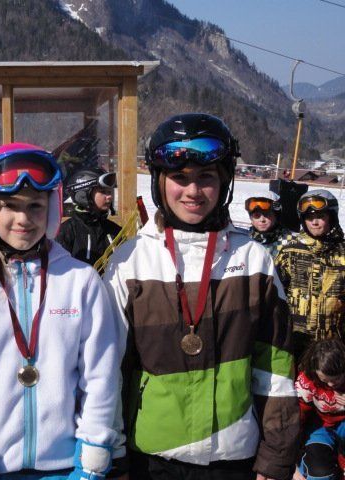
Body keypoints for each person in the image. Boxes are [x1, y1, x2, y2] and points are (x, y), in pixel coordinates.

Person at [104, 113, 299, 480]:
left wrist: (276, 457)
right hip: (151, 459)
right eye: (180, 178)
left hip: (234, 459)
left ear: (224, 181)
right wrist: (112, 456)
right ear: (159, 182)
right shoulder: (130, 261)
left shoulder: (253, 260)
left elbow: (274, 366)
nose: (192, 191)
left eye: (206, 177)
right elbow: (108, 369)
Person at [0, 143, 127, 479]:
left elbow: (100, 375)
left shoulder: (80, 281)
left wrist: (92, 455)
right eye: (10, 206)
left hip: (66, 465)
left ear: (52, 208)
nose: (23, 219)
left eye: (35, 206)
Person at [276, 189, 345, 359]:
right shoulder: (290, 251)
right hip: (293, 342)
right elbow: (274, 296)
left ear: (332, 216)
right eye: (308, 217)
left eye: (320, 216)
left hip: (332, 346)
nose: (314, 222)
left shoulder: (342, 253)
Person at [295, 339, 345, 480]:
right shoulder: (308, 380)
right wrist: (292, 456)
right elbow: (298, 416)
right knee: (319, 473)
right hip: (319, 425)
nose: (331, 385)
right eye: (325, 380)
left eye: (336, 379)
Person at [56, 166, 121, 267]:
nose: (109, 196)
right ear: (83, 195)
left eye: (109, 192)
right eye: (103, 192)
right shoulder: (66, 232)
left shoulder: (115, 231)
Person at [244, 191, 294, 258]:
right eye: (256, 216)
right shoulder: (244, 240)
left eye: (267, 215)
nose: (262, 220)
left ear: (276, 216)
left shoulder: (291, 242)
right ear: (251, 219)